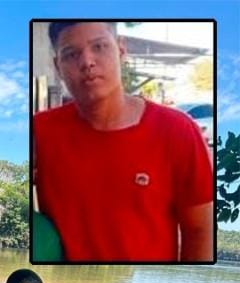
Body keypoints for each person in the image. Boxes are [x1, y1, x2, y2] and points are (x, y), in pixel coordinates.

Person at [32, 21, 213, 262]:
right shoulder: (39, 132)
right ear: (57, 66)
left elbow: (200, 230)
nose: (87, 62)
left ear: (121, 50)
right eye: (71, 54)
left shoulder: (178, 130)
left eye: (99, 46)